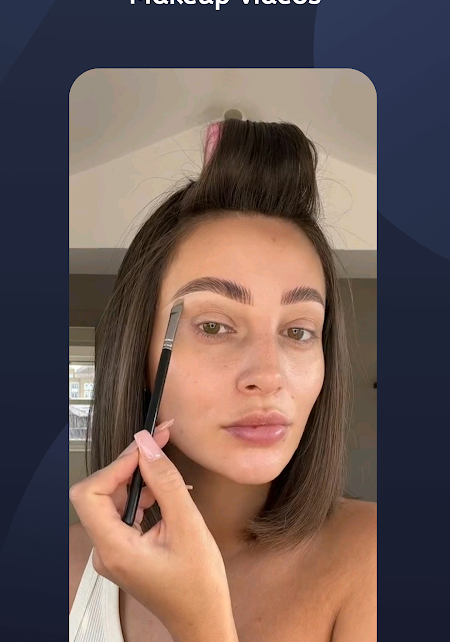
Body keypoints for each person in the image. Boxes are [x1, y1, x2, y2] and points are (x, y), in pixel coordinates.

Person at [69, 119, 376, 642]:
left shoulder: (376, 559)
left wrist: (200, 623)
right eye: (213, 326)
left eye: (299, 331)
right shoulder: (71, 564)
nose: (268, 376)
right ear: (140, 352)